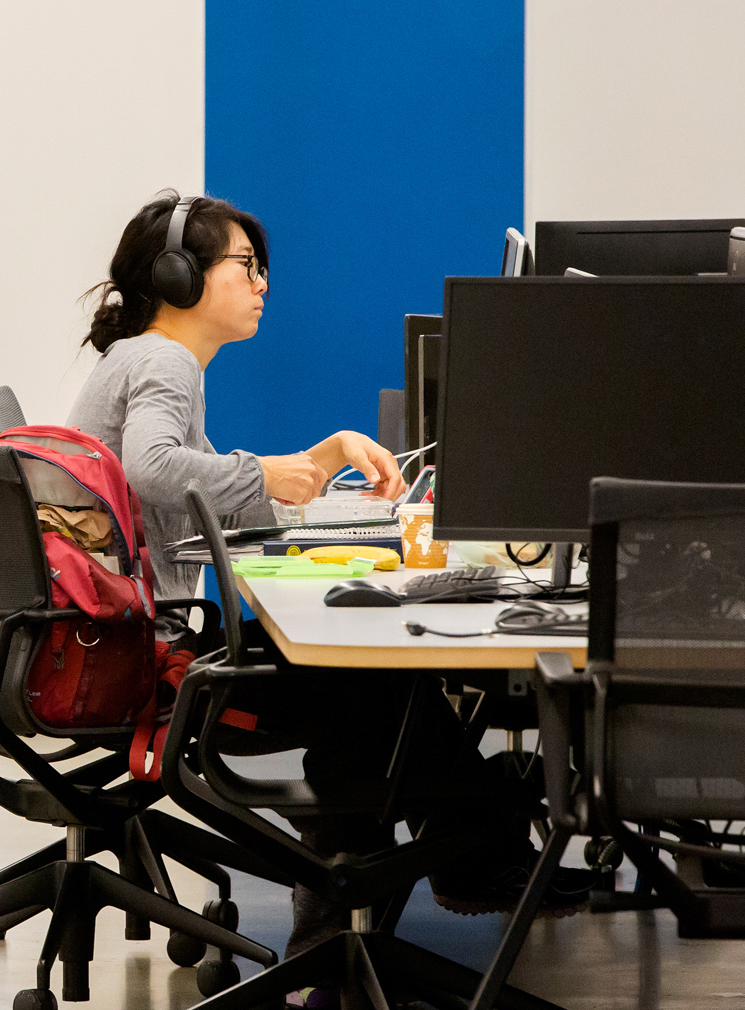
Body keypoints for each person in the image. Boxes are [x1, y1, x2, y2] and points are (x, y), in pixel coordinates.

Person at [67, 193, 592, 1007]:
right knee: (373, 681)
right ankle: (464, 849)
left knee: (366, 687)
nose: (262, 283)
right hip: (159, 661)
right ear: (178, 277)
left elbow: (213, 491)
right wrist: (264, 475)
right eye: (245, 266)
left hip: (136, 640)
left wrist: (320, 460)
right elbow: (153, 469)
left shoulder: (140, 357)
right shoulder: (163, 362)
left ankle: (397, 890)